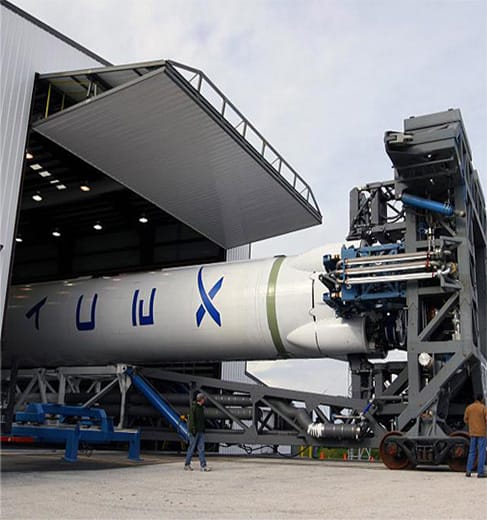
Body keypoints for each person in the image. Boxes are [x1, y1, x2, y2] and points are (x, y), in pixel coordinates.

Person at [184, 392, 211, 472]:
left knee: (201, 448)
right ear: (201, 399)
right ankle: (187, 464)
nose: (204, 400)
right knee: (192, 448)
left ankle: (203, 466)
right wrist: (193, 430)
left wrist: (203, 429)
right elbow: (191, 420)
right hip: (194, 432)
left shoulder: (201, 408)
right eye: (204, 399)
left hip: (200, 431)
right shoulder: (194, 408)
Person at [464, 393, 487, 478]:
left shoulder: (469, 408)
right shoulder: (483, 408)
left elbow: (465, 420)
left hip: (472, 433)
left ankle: (468, 471)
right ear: (481, 399)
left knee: (472, 452)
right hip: (482, 433)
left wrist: (472, 424)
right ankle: (480, 472)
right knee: (481, 452)